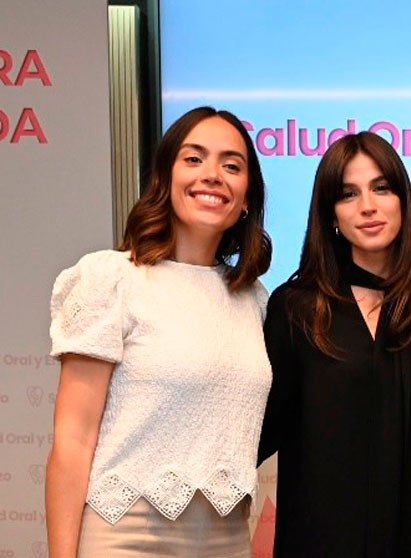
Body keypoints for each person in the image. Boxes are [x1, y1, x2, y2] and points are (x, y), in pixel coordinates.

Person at [46, 106, 273, 557]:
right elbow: (72, 441)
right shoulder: (112, 279)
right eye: (194, 159)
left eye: (232, 165)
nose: (212, 175)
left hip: (227, 541)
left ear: (247, 197)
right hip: (128, 539)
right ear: (165, 179)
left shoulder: (255, 300)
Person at [258, 132, 411, 556]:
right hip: (321, 539)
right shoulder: (297, 310)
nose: (368, 206)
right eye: (348, 194)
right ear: (331, 215)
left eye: (381, 188)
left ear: (403, 201)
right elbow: (258, 430)